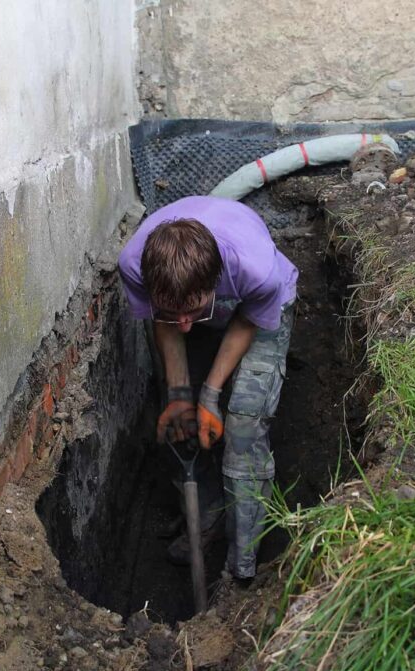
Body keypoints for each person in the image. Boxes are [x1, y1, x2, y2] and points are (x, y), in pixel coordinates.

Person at [117, 195, 298, 580]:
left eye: (193, 312)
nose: (185, 325)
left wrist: (211, 395)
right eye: (172, 310)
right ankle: (206, 519)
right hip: (197, 298)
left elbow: (248, 320)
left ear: (214, 282)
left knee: (243, 428)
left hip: (260, 309)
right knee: (182, 424)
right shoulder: (133, 266)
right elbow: (167, 324)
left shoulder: (258, 271)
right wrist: (181, 396)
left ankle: (242, 565)